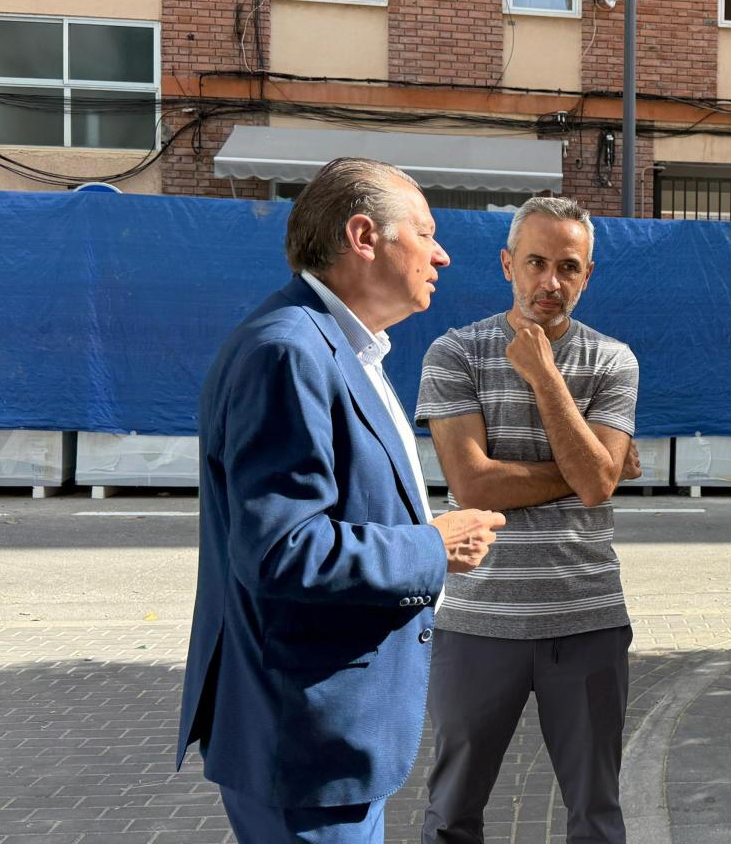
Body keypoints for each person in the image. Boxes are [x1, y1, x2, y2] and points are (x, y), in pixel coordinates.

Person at [177, 158, 508, 844]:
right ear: (364, 236)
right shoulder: (289, 351)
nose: (441, 253)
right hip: (303, 742)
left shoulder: (342, 348)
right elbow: (280, 550)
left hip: (331, 740)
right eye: (424, 231)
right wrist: (432, 545)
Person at [415, 196, 639, 844]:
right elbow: (472, 482)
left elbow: (596, 485)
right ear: (508, 263)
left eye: (568, 267)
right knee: (451, 814)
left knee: (596, 817)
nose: (551, 282)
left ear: (588, 273)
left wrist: (545, 378)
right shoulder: (453, 353)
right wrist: (585, 470)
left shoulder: (612, 361)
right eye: (536, 263)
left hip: (588, 619)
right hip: (479, 621)